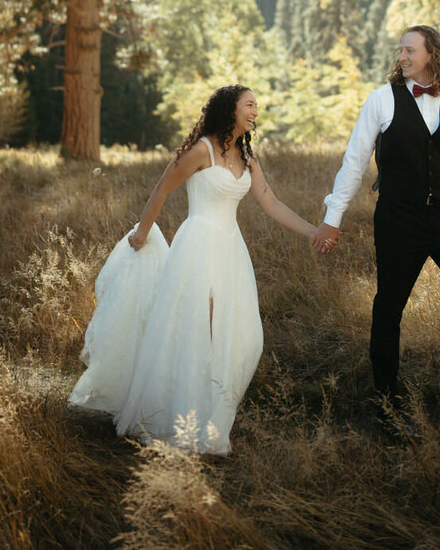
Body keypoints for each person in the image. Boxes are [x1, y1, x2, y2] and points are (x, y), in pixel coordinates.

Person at [69, 84, 316, 454]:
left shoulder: (248, 156)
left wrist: (314, 232)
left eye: (256, 106)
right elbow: (162, 190)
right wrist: (142, 234)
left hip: (231, 251)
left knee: (243, 336)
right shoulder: (201, 149)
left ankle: (212, 410)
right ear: (230, 109)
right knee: (199, 330)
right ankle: (184, 419)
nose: (255, 111)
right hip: (198, 245)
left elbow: (271, 201)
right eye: (249, 105)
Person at [312, 25, 440, 421]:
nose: (401, 56)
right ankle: (388, 404)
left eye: (409, 50)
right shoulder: (381, 100)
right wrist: (331, 219)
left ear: (431, 55)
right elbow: (353, 164)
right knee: (389, 309)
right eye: (400, 50)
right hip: (398, 219)